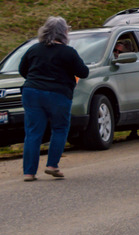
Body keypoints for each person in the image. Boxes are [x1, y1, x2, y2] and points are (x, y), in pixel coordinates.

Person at [18, 16, 89, 181]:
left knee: (33, 132)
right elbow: (83, 72)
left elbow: (23, 69)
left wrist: (36, 80)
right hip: (58, 94)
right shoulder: (68, 52)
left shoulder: (34, 49)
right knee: (59, 128)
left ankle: (29, 172)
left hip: (32, 92)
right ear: (64, 32)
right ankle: (52, 165)